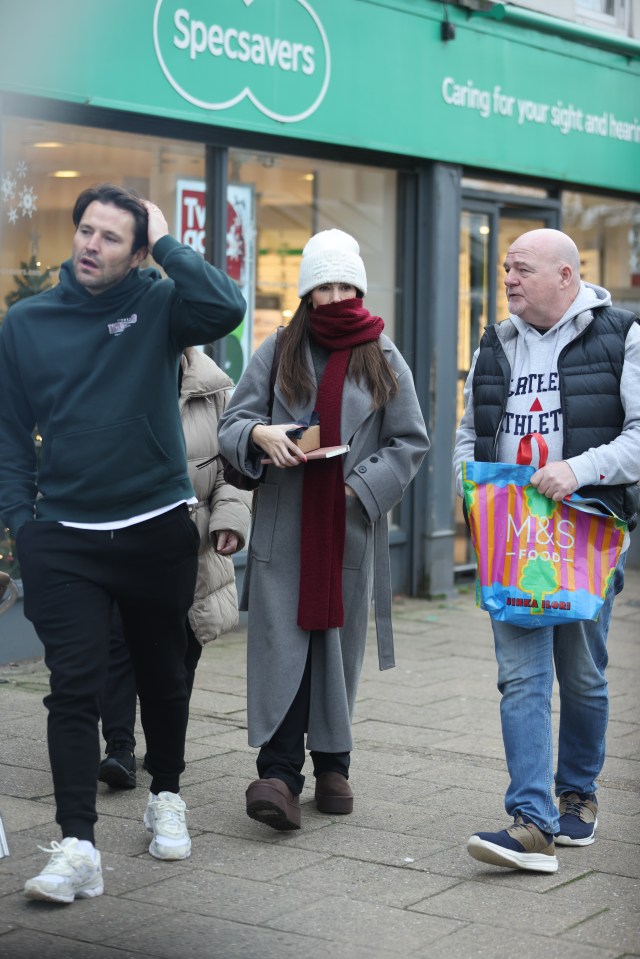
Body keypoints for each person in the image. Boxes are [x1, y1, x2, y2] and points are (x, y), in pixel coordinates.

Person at [0, 183, 245, 903]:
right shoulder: (27, 322)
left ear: (138, 252)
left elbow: (226, 307)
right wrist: (24, 526)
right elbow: (11, 431)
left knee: (164, 672)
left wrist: (167, 242)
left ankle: (167, 790)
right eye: (85, 230)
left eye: (110, 236)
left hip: (155, 526)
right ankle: (78, 845)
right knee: (72, 686)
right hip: (65, 536)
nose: (88, 244)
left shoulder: (160, 303)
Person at [218, 229, 429, 831]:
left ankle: (333, 764)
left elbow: (409, 441)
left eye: (345, 285)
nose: (335, 297)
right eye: (323, 286)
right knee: (284, 646)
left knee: (334, 649)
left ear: (358, 288)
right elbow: (235, 420)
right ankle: (279, 775)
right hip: (285, 528)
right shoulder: (279, 347)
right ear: (307, 292)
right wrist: (261, 437)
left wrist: (356, 488)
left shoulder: (383, 355)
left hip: (347, 528)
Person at [453, 228, 640, 873]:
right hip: (513, 538)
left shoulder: (622, 334)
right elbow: (468, 434)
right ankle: (530, 822)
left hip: (587, 532)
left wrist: (578, 470)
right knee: (521, 677)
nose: (507, 278)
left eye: (522, 269)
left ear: (565, 276)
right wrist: (472, 491)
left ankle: (576, 796)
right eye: (506, 267)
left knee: (583, 675)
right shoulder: (494, 343)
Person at [98, 347, 251, 789]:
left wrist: (229, 521)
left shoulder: (217, 389)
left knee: (183, 649)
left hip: (193, 542)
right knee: (119, 642)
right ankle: (119, 749)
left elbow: (234, 470)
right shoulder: (116, 375)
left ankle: (165, 751)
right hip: (125, 536)